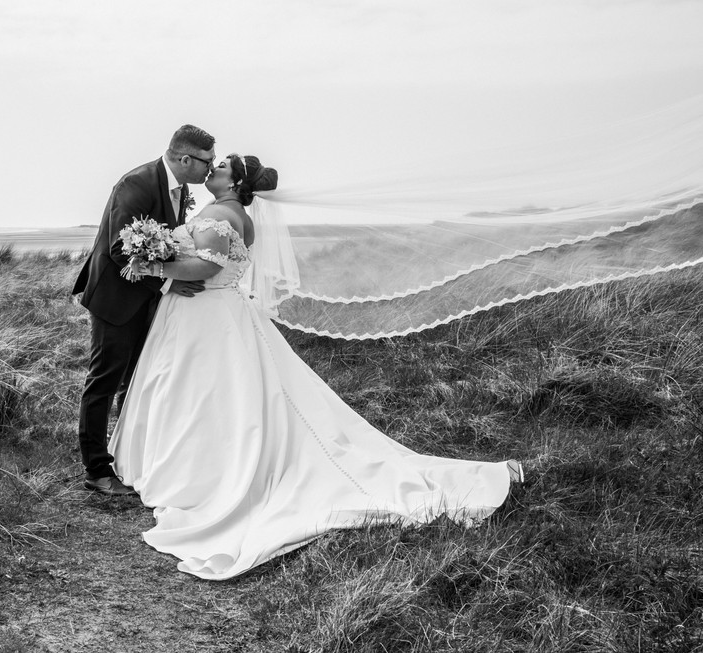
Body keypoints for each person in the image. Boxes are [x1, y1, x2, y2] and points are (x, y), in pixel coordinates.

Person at [109, 154, 524, 580]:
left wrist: (151, 264)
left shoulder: (221, 213)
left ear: (235, 183)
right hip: (208, 314)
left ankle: (198, 473)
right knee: (205, 394)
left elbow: (206, 267)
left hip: (208, 317)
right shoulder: (231, 212)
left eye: (221, 167)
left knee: (207, 396)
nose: (213, 169)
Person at [72, 125, 215, 496]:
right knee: (104, 381)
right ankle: (96, 470)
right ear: (185, 159)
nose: (210, 169)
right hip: (116, 299)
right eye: (206, 161)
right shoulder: (136, 184)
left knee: (136, 380)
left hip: (148, 299)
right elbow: (122, 251)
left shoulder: (181, 189)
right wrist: (169, 282)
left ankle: (128, 457)